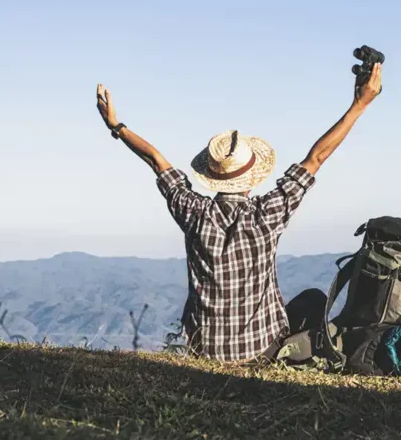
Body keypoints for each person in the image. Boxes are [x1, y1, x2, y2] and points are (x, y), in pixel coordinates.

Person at [95, 62, 382, 362]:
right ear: (252, 176)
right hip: (262, 351)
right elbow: (317, 157)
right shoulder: (268, 213)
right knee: (313, 300)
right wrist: (359, 105)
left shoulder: (192, 211)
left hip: (204, 350)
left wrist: (116, 126)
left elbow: (155, 160)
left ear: (213, 175)